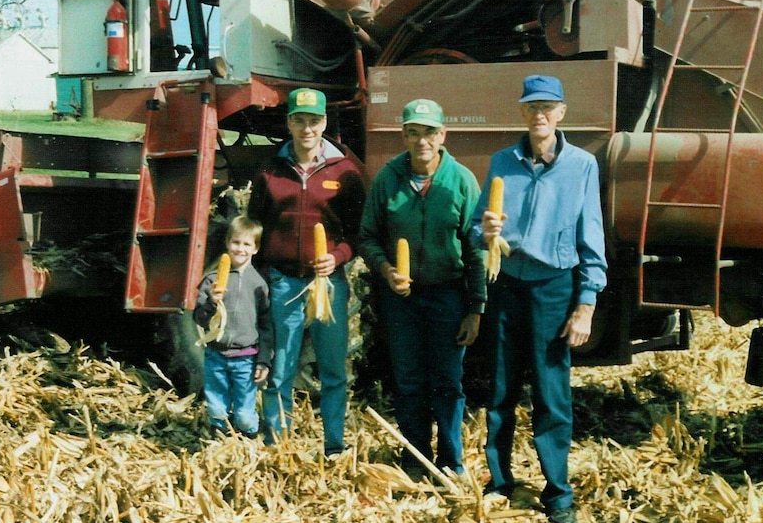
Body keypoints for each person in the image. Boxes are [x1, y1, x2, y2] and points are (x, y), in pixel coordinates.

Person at [470, 75, 607, 523]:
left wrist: (585, 303)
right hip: (506, 281)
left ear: (562, 112)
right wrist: (484, 232)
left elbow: (592, 236)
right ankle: (500, 481)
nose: (540, 114)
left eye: (548, 106)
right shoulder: (501, 162)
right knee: (502, 387)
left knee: (552, 393)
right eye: (532, 107)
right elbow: (476, 228)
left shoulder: (582, 166)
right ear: (523, 112)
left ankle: (557, 492)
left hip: (553, 287)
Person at [358, 98, 486, 477]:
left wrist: (476, 307)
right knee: (409, 380)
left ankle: (451, 463)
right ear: (404, 136)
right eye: (413, 132)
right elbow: (368, 237)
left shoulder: (461, 180)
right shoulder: (388, 178)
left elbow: (476, 247)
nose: (421, 141)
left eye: (429, 132)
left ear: (442, 135)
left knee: (448, 381)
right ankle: (415, 460)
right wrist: (385, 269)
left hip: (448, 294)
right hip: (402, 298)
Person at [247, 87, 366, 457]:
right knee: (280, 368)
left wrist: (339, 256)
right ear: (289, 123)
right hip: (285, 282)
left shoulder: (345, 170)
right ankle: (277, 444)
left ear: (324, 123)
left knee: (333, 371)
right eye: (299, 120)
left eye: (314, 121)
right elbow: (255, 223)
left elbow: (359, 232)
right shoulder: (270, 169)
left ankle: (334, 445)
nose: (307, 128)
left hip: (328, 283)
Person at [193, 215, 272, 438]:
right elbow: (199, 318)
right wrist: (212, 302)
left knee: (244, 417)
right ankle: (219, 440)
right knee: (217, 410)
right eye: (236, 243)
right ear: (227, 243)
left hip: (246, 358)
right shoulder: (211, 280)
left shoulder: (258, 284)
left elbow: (266, 326)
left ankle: (250, 437)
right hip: (216, 355)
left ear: (255, 249)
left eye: (247, 244)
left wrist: (264, 360)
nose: (240, 249)